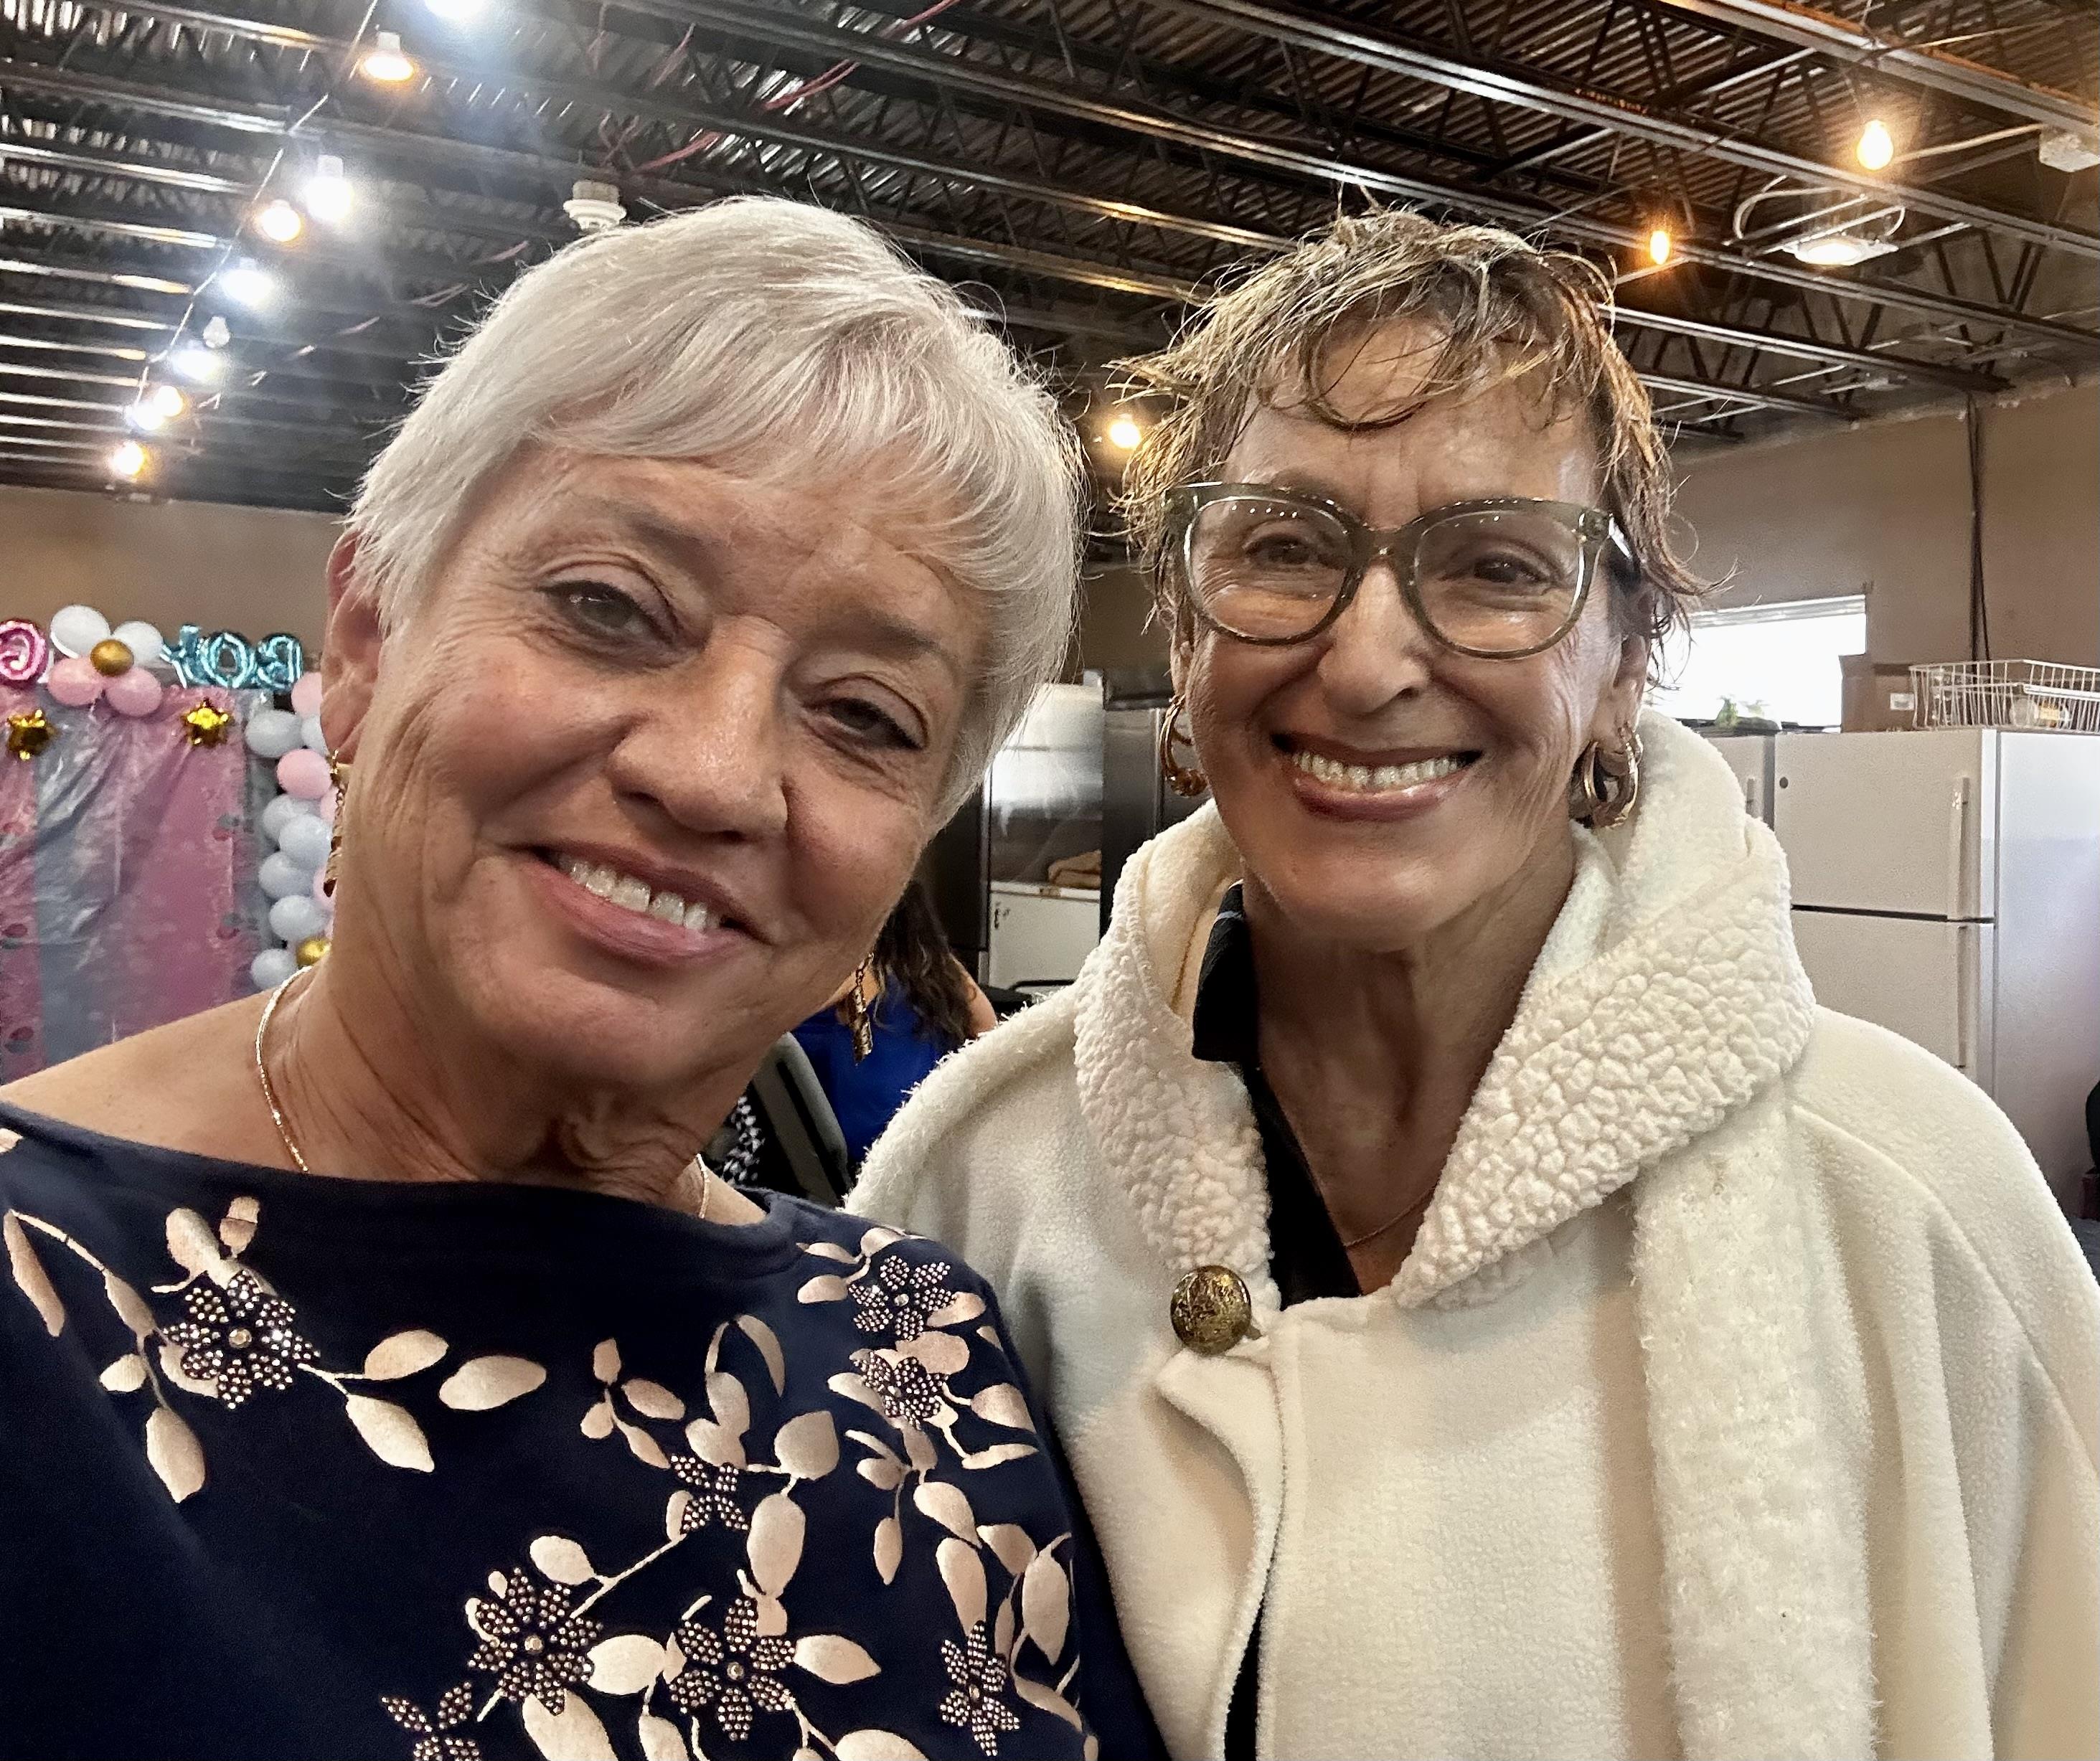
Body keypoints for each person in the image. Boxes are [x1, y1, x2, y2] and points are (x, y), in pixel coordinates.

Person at [854, 209, 2100, 1760]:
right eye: (1282, 547)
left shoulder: (1916, 1211)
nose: (1369, 661)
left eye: (1498, 565)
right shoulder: (975, 1192)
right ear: (1179, 630)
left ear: (1624, 663)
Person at [0, 198, 1157, 1761]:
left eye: (866, 715)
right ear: (362, 639)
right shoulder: (38, 1305)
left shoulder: (920, 1349)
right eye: (609, 610)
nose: (713, 773)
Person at [793, 879, 998, 1169]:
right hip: (925, 1142)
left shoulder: (844, 973)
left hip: (851, 1152)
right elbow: (991, 1038)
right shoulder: (941, 970)